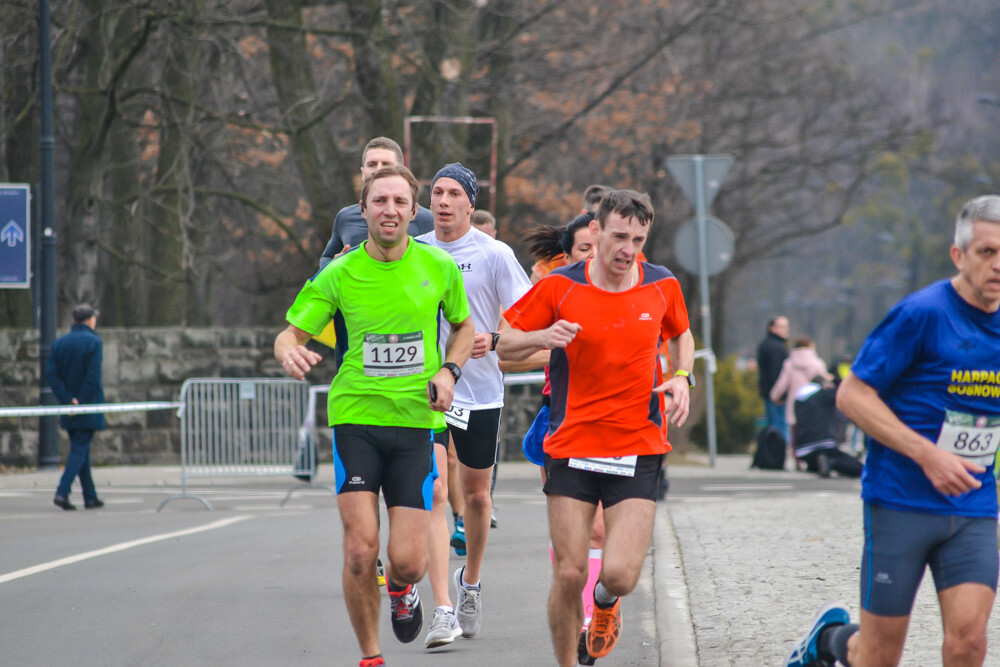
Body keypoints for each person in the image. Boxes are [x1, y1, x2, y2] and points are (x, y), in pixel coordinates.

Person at [786, 195, 1000, 667]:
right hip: (900, 500)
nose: (998, 264)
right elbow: (852, 396)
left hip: (974, 503)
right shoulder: (922, 314)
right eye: (987, 251)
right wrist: (929, 455)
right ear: (959, 256)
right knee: (880, 654)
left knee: (969, 642)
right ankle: (828, 644)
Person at [274, 164, 474, 667]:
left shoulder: (437, 267)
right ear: (363, 211)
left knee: (407, 561)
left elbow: (465, 326)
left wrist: (450, 371)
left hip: (415, 423)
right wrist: (286, 351)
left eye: (400, 202)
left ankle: (403, 589)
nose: (390, 210)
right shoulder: (339, 273)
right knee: (362, 550)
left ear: (413, 211)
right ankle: (371, 657)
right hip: (355, 418)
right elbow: (291, 332)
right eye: (379, 202)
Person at [497, 189, 695, 667]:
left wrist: (681, 378)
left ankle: (605, 604)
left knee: (623, 574)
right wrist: (543, 337)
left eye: (639, 239)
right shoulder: (559, 287)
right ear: (597, 233)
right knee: (568, 574)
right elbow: (503, 343)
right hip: (571, 445)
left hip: (637, 444)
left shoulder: (661, 284)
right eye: (620, 236)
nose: (628, 249)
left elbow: (681, 333)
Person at [415, 163, 533, 648]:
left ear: (469, 203)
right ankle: (442, 607)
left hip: (479, 392)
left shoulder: (495, 254)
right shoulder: (415, 250)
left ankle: (471, 583)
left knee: (478, 497)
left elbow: (531, 322)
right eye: (436, 193)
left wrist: (496, 339)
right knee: (437, 492)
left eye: (452, 194)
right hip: (424, 392)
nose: (442, 201)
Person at [318, 137, 434, 268]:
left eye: (386, 164)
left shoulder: (426, 219)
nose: (378, 170)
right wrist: (334, 264)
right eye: (372, 164)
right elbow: (326, 258)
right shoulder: (345, 217)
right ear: (363, 173)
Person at [47, 304, 106, 511]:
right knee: (80, 449)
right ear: (90, 320)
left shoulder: (59, 343)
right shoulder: (94, 342)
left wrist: (67, 399)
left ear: (73, 321)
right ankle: (62, 491)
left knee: (80, 450)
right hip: (86, 405)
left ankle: (90, 495)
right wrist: (80, 402)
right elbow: (93, 377)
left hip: (69, 405)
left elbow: (52, 376)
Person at [792, 375, 862, 479]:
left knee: (818, 461)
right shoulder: (823, 395)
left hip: (803, 450)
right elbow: (842, 389)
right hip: (823, 444)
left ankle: (818, 464)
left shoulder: (798, 401)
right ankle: (830, 462)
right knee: (857, 468)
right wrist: (835, 378)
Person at [771, 337, 827, 446]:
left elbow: (782, 384)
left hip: (795, 404)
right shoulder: (818, 363)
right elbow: (824, 385)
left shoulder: (789, 364)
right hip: (813, 405)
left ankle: (797, 457)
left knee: (795, 435)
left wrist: (775, 396)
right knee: (811, 434)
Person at [757, 316, 790, 437]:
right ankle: (778, 454)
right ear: (772, 328)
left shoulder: (768, 344)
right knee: (779, 429)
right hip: (776, 395)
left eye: (786, 327)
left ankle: (772, 453)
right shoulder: (775, 347)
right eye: (781, 327)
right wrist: (780, 394)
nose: (785, 330)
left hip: (768, 393)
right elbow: (776, 373)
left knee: (771, 428)